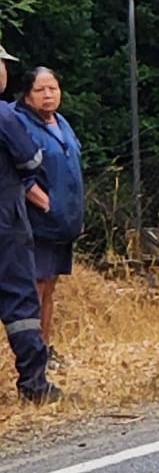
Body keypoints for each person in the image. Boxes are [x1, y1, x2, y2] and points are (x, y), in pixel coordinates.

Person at [13, 68, 83, 371]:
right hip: (38, 221)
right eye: (41, 90)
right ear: (27, 94)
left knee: (50, 284)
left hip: (62, 222)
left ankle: (46, 346)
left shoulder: (61, 122)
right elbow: (21, 174)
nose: (48, 95)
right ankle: (34, 355)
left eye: (52, 88)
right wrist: (47, 204)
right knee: (37, 285)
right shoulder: (20, 123)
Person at [0, 45, 57, 403]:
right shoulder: (4, 116)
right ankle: (34, 385)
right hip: (5, 220)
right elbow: (31, 158)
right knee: (21, 302)